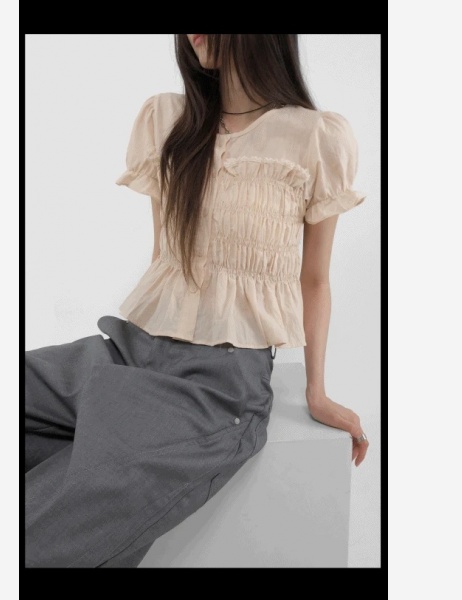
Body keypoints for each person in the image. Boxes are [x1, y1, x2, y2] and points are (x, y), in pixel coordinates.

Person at [25, 33, 369, 568]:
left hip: (219, 386)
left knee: (63, 513)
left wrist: (316, 391)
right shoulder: (167, 120)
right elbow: (166, 257)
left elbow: (315, 279)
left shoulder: (315, 137)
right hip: (134, 349)